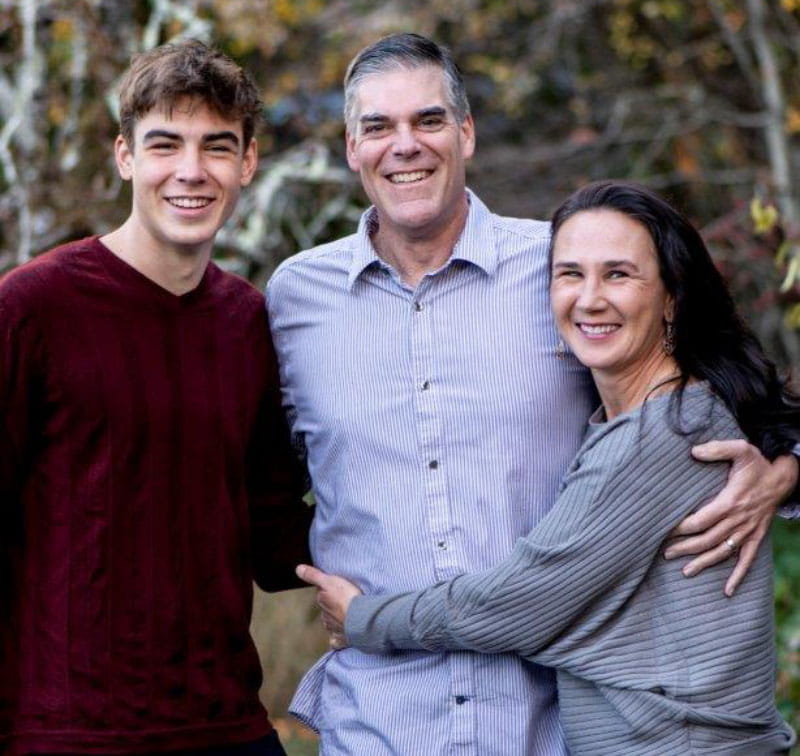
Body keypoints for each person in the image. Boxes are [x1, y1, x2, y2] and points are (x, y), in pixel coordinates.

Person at [266, 33, 798, 755]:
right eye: (378, 127)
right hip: (379, 726)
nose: (405, 146)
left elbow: (722, 382)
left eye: (427, 120)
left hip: (544, 728)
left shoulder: (559, 270)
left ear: (466, 132)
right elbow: (243, 464)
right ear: (351, 146)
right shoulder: (295, 299)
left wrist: (784, 462)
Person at [0, 40, 312, 756]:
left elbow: (272, 537)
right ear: (125, 156)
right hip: (66, 732)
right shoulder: (30, 309)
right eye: (165, 144)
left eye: (217, 147)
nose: (192, 171)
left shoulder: (248, 324)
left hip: (226, 726)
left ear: (248, 163)